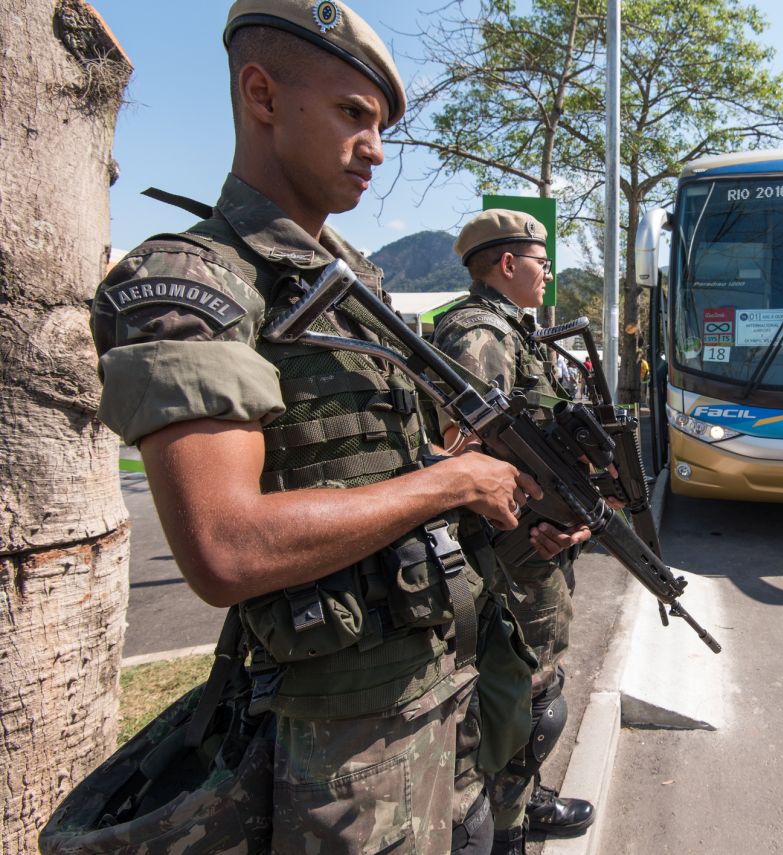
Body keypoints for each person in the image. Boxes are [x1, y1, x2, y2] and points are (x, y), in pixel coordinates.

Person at [87, 4, 579, 852]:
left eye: (381, 124)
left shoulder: (351, 290)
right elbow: (226, 545)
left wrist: (517, 502)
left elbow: (387, 464)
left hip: (430, 690)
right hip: (334, 739)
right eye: (354, 114)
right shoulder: (192, 283)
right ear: (262, 94)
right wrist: (452, 480)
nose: (377, 149)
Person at [431, 210, 598, 855]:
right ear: (507, 263)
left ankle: (523, 804)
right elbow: (463, 459)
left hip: (531, 545)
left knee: (536, 683)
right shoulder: (480, 336)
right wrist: (534, 518)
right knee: (517, 692)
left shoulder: (518, 333)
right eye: (540, 258)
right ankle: (505, 826)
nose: (549, 270)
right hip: (503, 555)